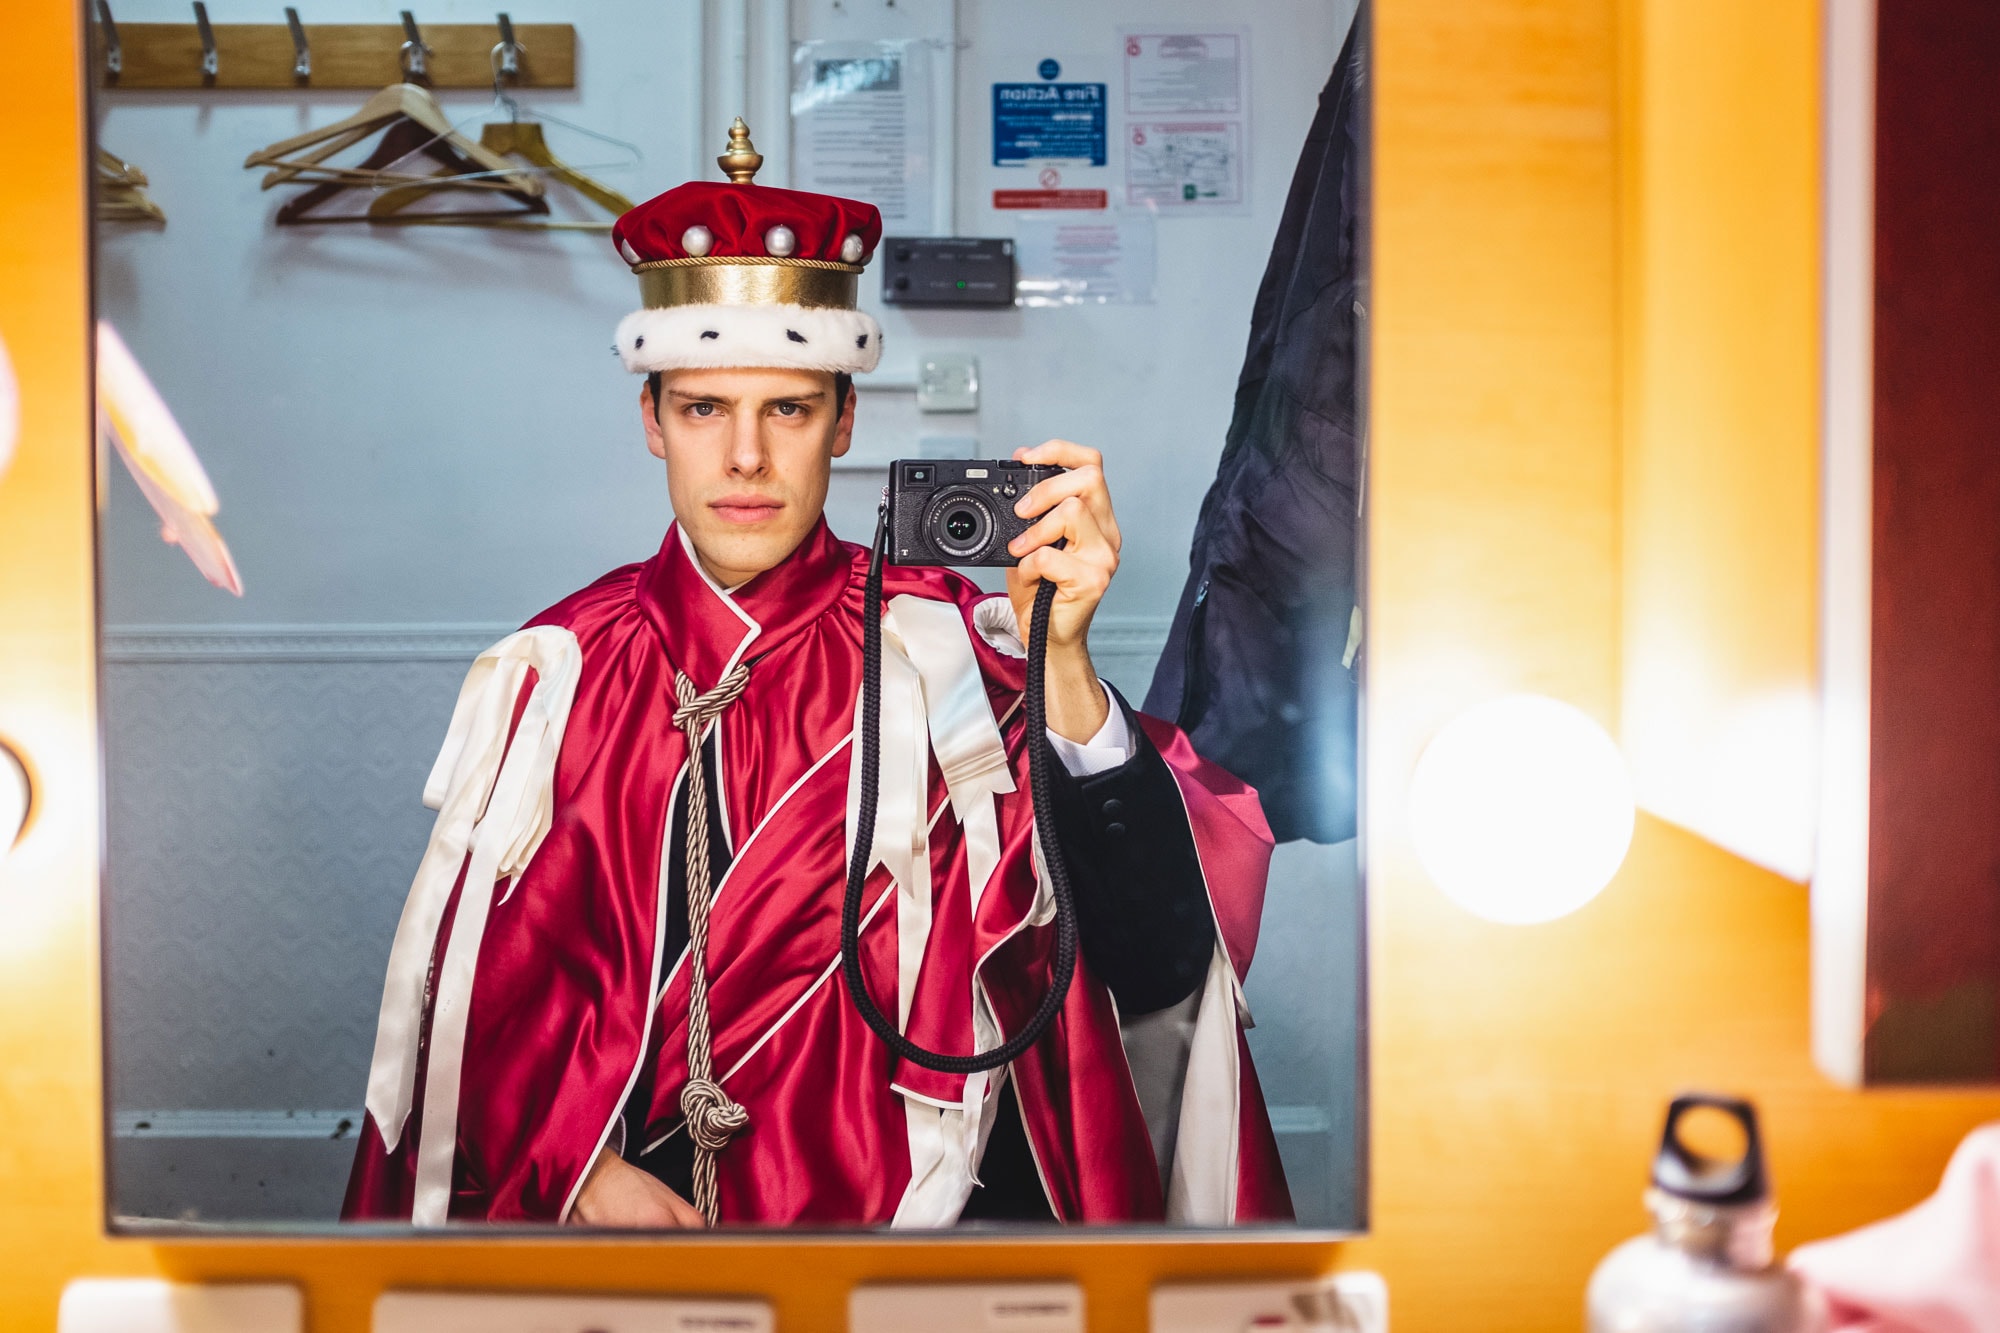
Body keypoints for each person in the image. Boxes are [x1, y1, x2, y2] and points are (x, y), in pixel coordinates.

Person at [342, 121, 1291, 1228]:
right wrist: (568, 1167)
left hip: (920, 1246)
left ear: (844, 421)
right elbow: (465, 1013)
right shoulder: (555, 674)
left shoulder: (951, 651)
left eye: (786, 409)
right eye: (704, 409)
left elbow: (1154, 959)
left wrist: (1063, 663)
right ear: (650, 420)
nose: (744, 458)